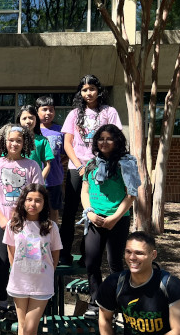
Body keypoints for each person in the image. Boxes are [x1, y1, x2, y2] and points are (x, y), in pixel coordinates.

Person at [0, 184, 61, 335]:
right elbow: (11, 255)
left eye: (38, 200)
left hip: (41, 284)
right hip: (19, 283)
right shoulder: (13, 225)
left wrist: (43, 273)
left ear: (44, 204)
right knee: (23, 328)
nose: (33, 204)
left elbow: (55, 256)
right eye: (29, 199)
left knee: (31, 327)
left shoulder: (51, 226)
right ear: (23, 201)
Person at [0, 124, 43, 319]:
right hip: (3, 223)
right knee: (3, 262)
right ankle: (2, 302)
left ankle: (25, 302)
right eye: (11, 140)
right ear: (4, 141)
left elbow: (37, 195)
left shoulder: (32, 166)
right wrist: (1, 219)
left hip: (27, 225)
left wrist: (26, 219)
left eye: (18, 140)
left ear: (25, 142)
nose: (14, 143)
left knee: (26, 262)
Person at [60, 74, 122, 266]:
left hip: (100, 167)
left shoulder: (109, 112)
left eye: (92, 89)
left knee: (94, 209)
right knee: (70, 211)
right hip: (76, 168)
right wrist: (79, 166)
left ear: (99, 90)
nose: (89, 93)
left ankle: (88, 253)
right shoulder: (73, 114)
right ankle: (64, 253)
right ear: (80, 92)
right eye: (85, 89)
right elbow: (67, 143)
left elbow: (115, 138)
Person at [81, 124, 140, 317]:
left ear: (117, 141)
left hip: (118, 219)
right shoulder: (91, 163)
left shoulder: (126, 163)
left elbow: (131, 195)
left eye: (109, 139)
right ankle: (95, 302)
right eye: (100, 138)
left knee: (115, 263)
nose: (104, 142)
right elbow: (85, 191)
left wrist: (114, 218)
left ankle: (113, 305)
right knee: (91, 262)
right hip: (94, 219)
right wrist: (89, 213)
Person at [36, 95, 65, 223]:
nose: (48, 113)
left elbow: (67, 152)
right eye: (44, 109)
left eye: (51, 109)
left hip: (54, 180)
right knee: (36, 209)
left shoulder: (61, 131)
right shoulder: (33, 130)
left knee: (54, 209)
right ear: (37, 111)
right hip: (35, 178)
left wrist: (58, 163)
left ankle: (54, 236)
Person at [17, 106, 53, 182]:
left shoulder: (42, 140)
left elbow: (47, 165)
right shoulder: (13, 140)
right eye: (24, 118)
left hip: (35, 183)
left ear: (36, 120)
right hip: (16, 182)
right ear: (19, 120)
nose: (28, 121)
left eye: (31, 118)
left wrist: (39, 181)